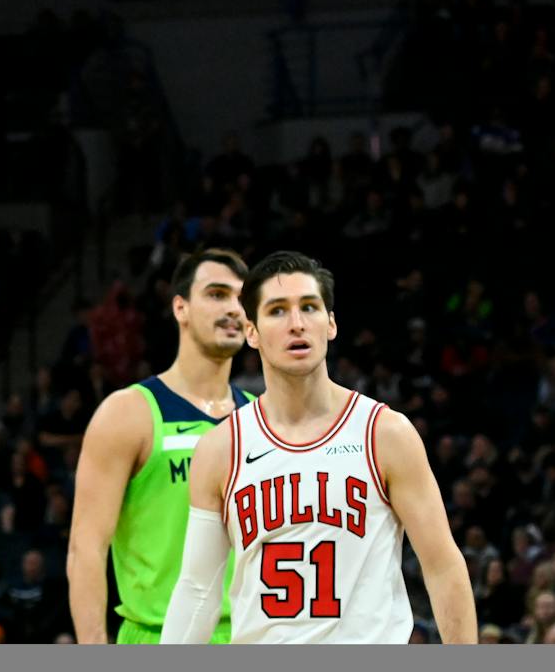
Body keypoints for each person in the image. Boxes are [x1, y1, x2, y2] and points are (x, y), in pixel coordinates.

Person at [163, 252, 476, 644]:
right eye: (277, 311)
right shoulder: (220, 449)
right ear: (251, 331)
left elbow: (443, 566)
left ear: (330, 323)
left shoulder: (385, 433)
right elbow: (197, 590)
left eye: (309, 307)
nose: (297, 324)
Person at [67, 248, 253, 642]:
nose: (234, 308)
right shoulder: (128, 413)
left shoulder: (263, 418)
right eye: (218, 294)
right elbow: (86, 550)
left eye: (242, 298)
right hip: (158, 635)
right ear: (181, 308)